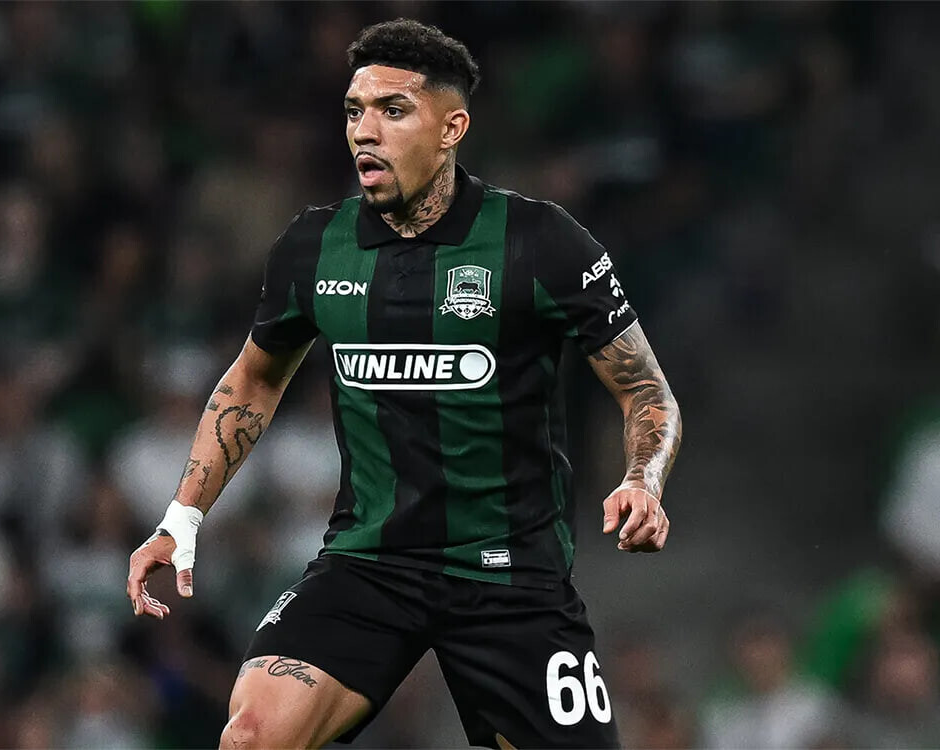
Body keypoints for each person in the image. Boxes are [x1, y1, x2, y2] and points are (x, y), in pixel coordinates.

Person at [127, 18, 682, 749]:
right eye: (354, 111)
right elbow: (252, 383)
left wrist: (643, 478)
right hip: (369, 564)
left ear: (452, 128)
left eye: (393, 111)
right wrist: (184, 516)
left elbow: (647, 390)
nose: (365, 131)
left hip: (508, 572)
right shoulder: (313, 246)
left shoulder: (540, 241)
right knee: (253, 735)